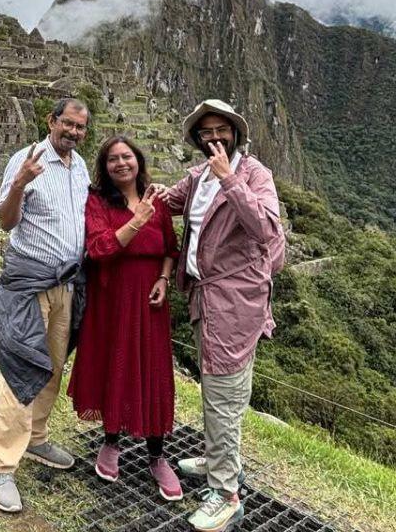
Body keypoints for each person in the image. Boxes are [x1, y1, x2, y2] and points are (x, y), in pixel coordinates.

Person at [154, 99, 285, 532]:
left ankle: (226, 493)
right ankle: (216, 458)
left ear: (235, 134)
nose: (213, 138)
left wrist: (229, 180)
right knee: (219, 387)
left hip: (234, 304)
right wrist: (116, 186)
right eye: (205, 131)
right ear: (197, 138)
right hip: (203, 298)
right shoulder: (195, 178)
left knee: (224, 393)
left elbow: (266, 228)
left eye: (221, 130)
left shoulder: (253, 174)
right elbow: (163, 203)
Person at [0, 97, 91, 514]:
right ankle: (1, 466)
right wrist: (19, 184)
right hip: (29, 282)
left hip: (66, 284)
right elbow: (6, 221)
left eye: (80, 127)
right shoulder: (26, 160)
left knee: (53, 366)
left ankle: (38, 438)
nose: (73, 132)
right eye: (67, 124)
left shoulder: (79, 167)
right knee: (20, 366)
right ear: (51, 121)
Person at [68, 136, 181, 501]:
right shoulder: (98, 202)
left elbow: (169, 249)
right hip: (112, 298)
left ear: (138, 160)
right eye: (113, 159)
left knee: (152, 370)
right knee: (114, 365)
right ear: (105, 167)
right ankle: (111, 442)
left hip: (149, 300)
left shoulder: (156, 201)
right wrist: (137, 221)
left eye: (126, 156)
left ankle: (157, 455)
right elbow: (99, 248)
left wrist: (164, 278)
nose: (121, 163)